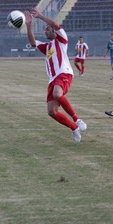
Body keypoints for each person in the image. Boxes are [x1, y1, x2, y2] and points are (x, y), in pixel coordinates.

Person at [24, 8, 87, 143]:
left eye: (47, 29)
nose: (46, 31)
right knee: (52, 111)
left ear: (53, 31)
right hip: (52, 79)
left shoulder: (62, 39)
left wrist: (40, 16)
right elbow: (33, 43)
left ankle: (77, 119)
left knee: (58, 94)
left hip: (64, 73)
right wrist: (29, 25)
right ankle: (74, 127)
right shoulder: (47, 46)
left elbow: (56, 25)